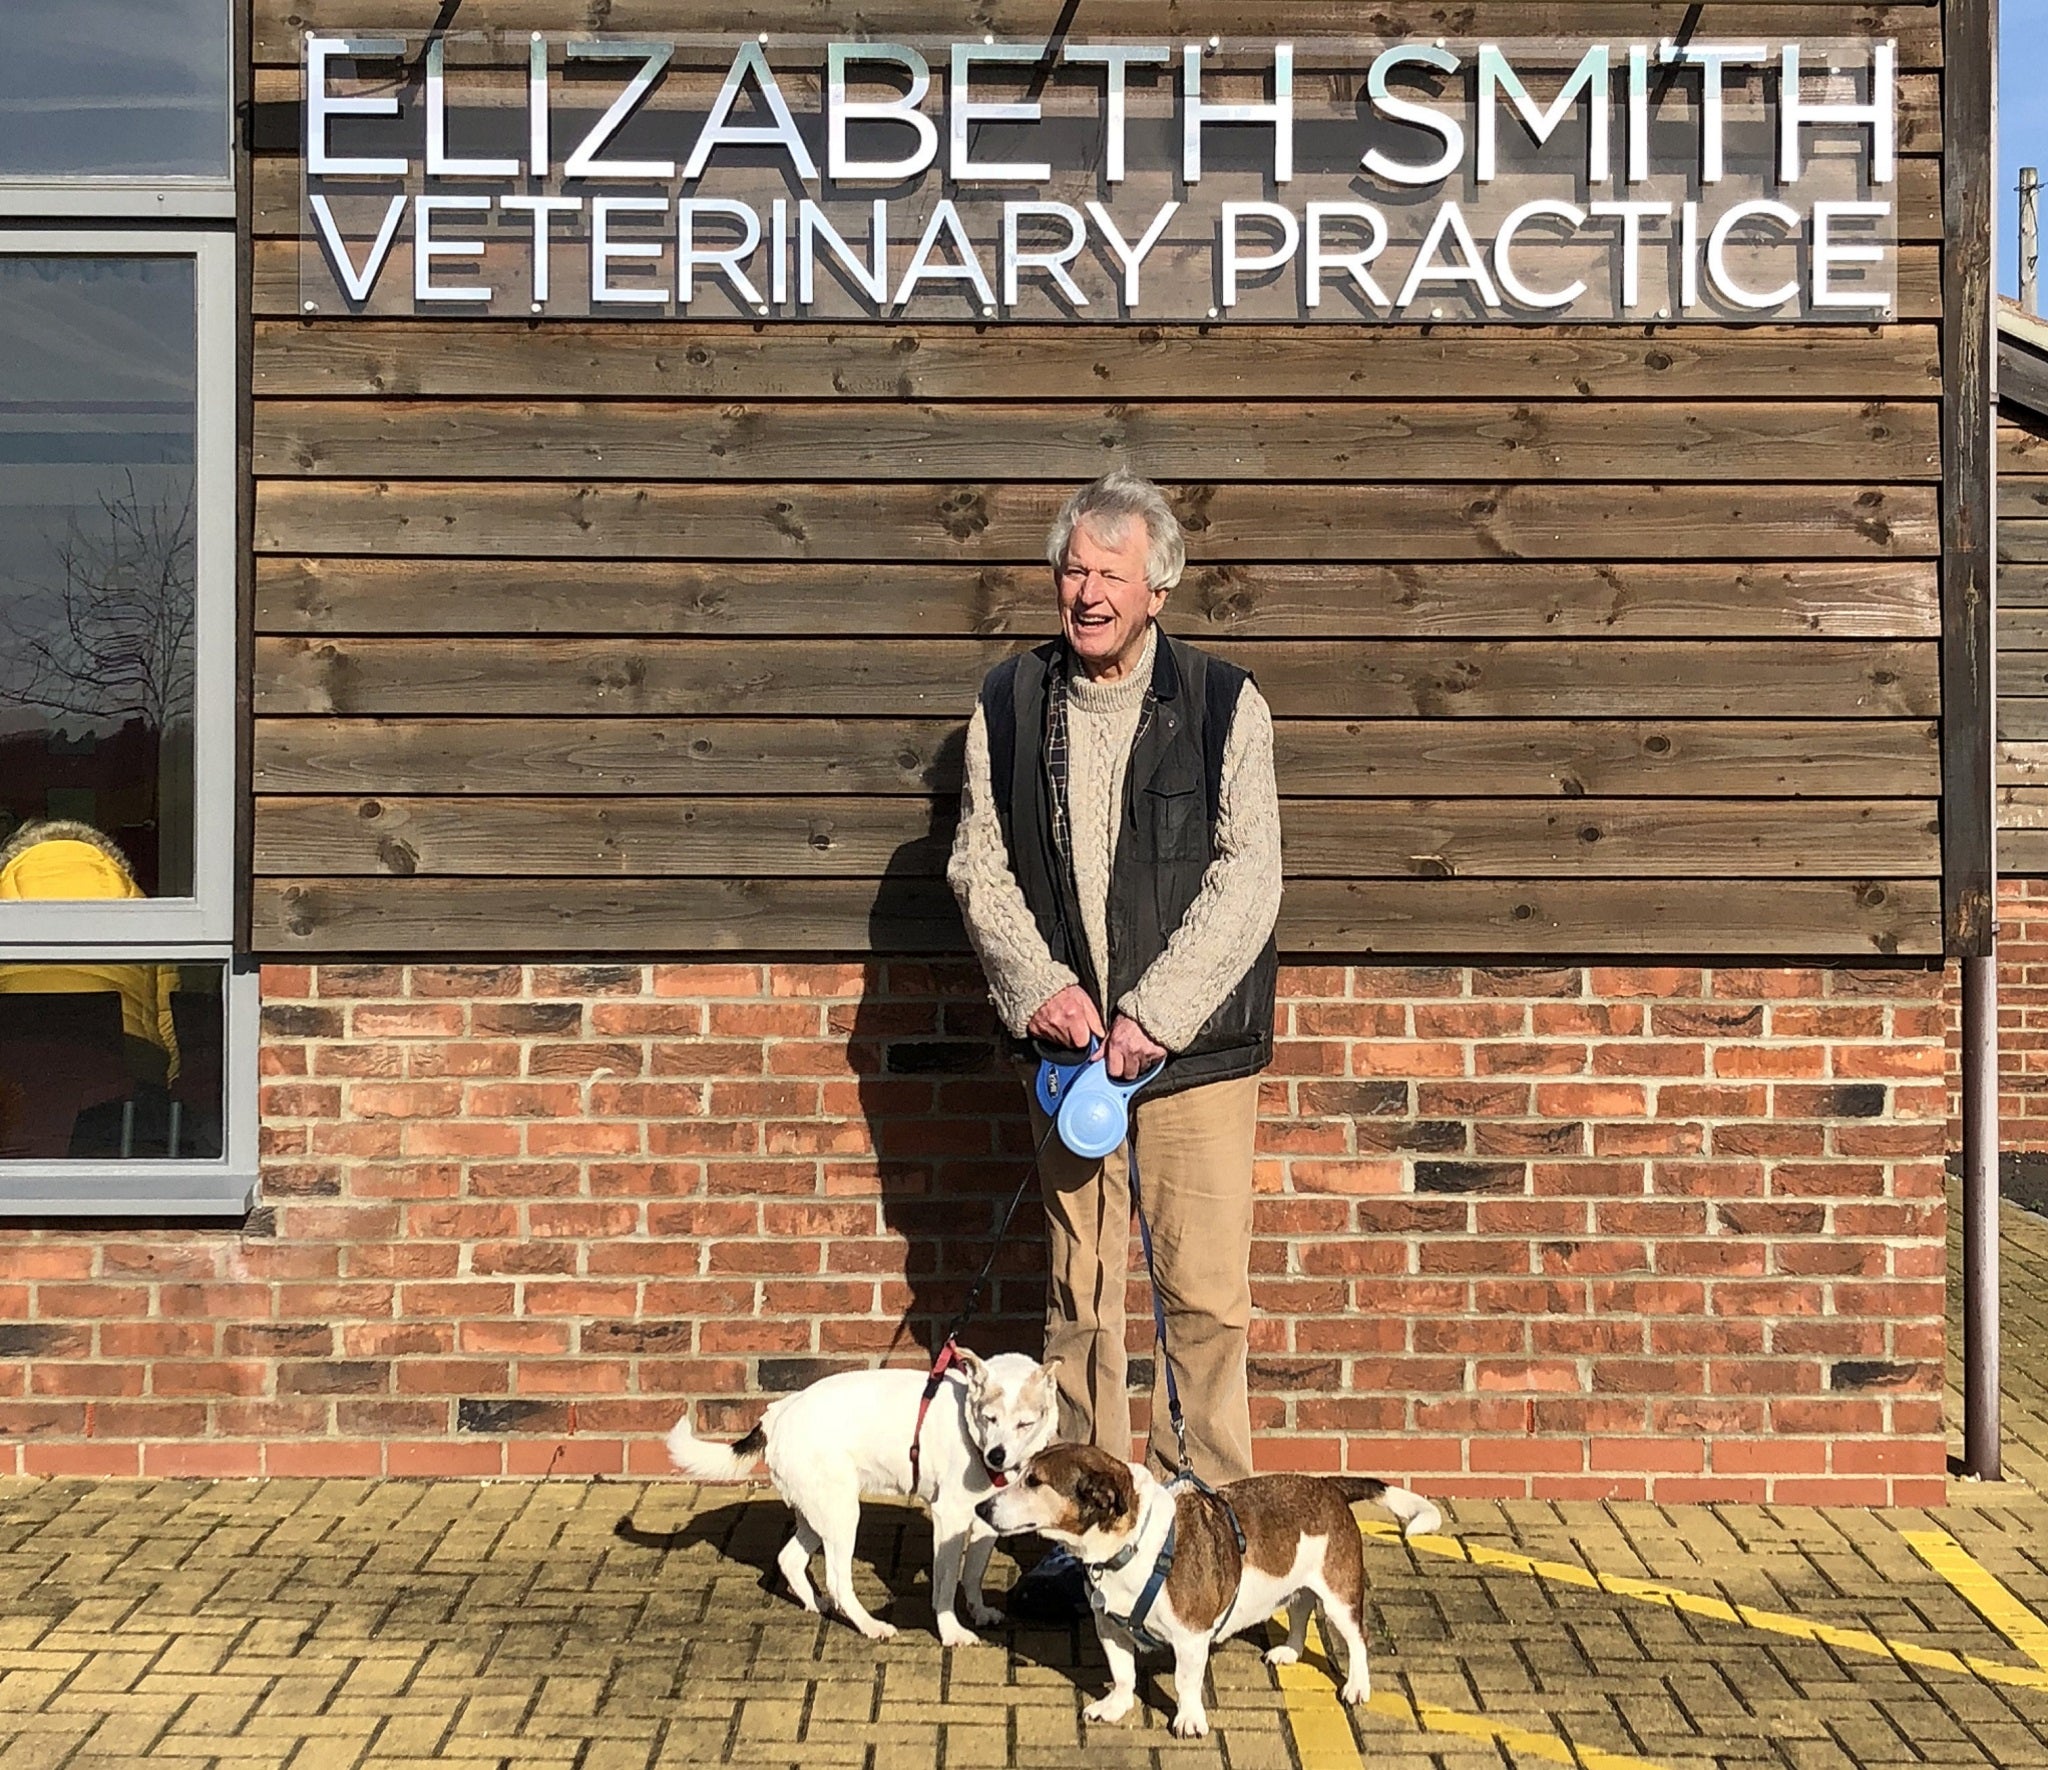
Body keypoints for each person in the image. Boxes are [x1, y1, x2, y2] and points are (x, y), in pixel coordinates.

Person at [946, 469, 1283, 1618]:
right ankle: (1071, 1540)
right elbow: (977, 865)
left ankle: (1213, 1540)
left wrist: (1154, 1016)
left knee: (1201, 1298)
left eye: (1109, 572)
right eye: (1071, 571)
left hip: (1187, 1056)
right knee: (1077, 1298)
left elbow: (1249, 880)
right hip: (1064, 1057)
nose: (1084, 592)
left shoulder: (1228, 703)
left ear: (1159, 586)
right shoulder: (1004, 703)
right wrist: (1037, 985)